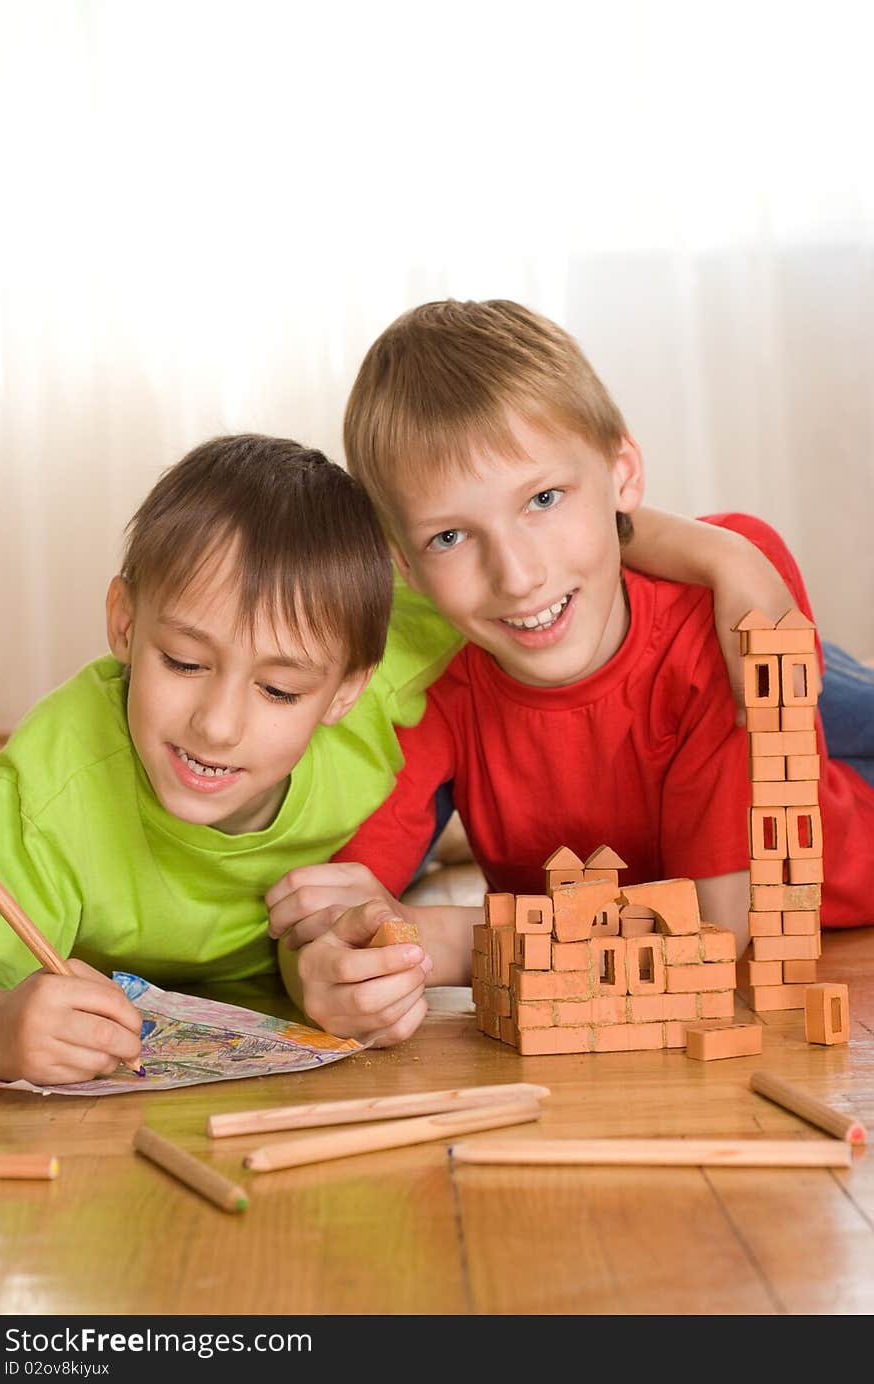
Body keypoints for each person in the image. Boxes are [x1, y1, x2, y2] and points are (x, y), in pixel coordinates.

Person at [269, 299, 874, 1046]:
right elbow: (338, 910)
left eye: (543, 499)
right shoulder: (435, 682)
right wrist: (330, 972)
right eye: (451, 535)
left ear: (623, 474)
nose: (517, 575)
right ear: (405, 565)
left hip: (846, 822)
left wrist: (440, 941)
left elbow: (723, 927)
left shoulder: (703, 642)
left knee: (766, 582)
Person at [0, 434, 460, 1085]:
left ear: (346, 690)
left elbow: (530, 553)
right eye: (184, 661)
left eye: (279, 689)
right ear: (125, 624)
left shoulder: (377, 672)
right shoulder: (46, 795)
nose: (216, 725)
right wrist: (1, 1031)